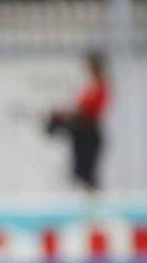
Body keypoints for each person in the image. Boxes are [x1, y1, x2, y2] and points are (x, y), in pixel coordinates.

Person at [46, 51, 111, 191]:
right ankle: (88, 203)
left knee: (87, 173)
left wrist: (66, 116)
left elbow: (86, 111)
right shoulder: (92, 87)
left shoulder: (100, 87)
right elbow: (79, 109)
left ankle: (93, 206)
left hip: (89, 134)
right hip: (81, 134)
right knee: (81, 173)